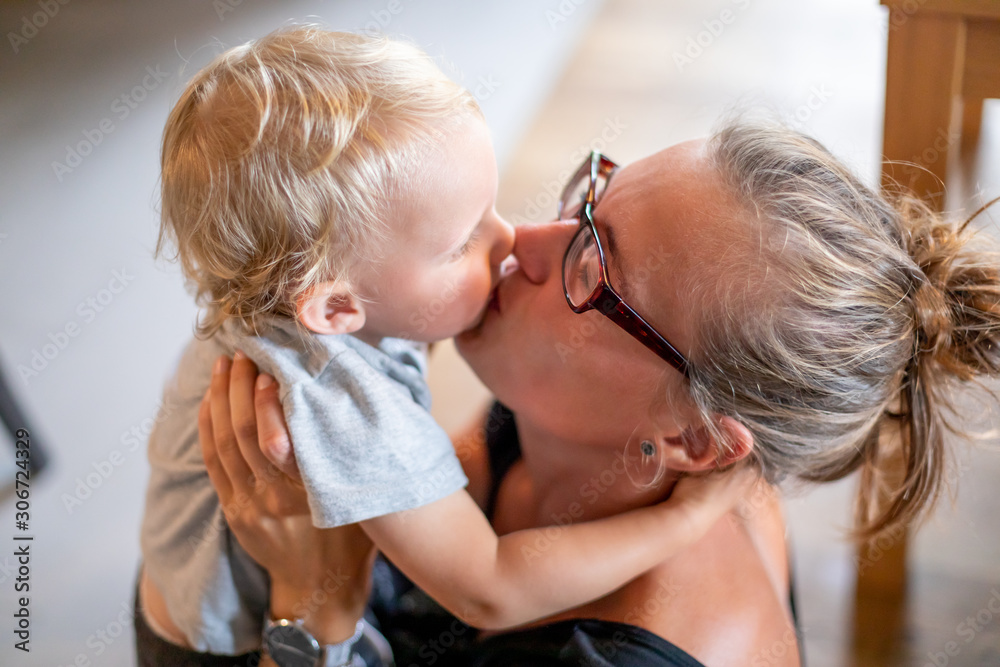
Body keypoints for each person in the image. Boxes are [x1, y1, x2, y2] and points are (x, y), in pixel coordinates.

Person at [195, 120, 1000, 666]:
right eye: (586, 206)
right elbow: (456, 500)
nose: (522, 242)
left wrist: (307, 609)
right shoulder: (572, 428)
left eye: (591, 268)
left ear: (695, 440)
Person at [135, 25, 752, 664]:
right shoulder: (342, 402)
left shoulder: (297, 296)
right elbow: (488, 589)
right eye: (460, 244)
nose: (511, 238)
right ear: (335, 307)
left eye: (491, 209)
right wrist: (679, 521)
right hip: (223, 646)